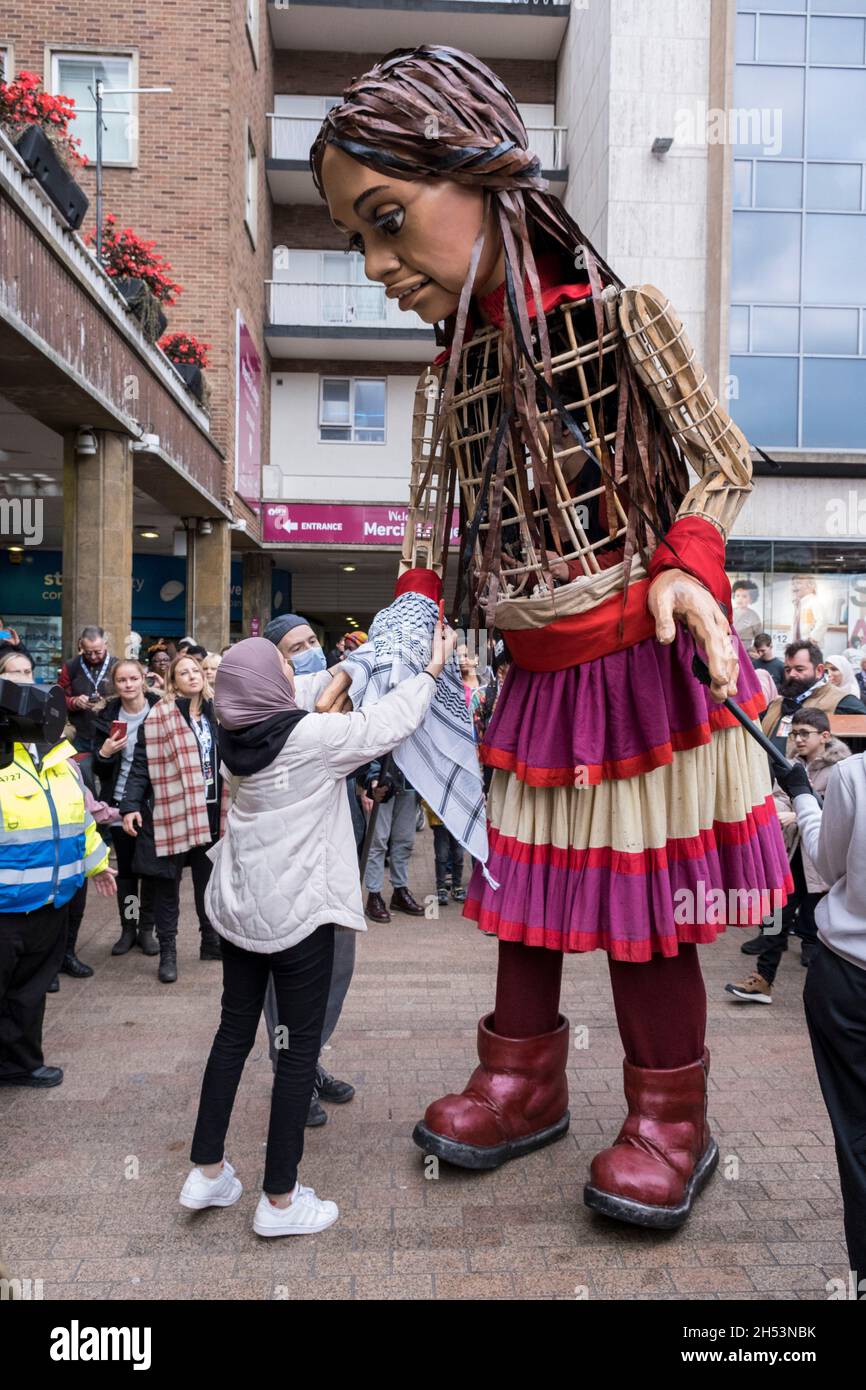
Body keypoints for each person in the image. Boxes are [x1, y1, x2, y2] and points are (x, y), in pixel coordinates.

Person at [312, 44, 792, 1230]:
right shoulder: (453, 380)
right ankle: (521, 1080)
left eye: (386, 222)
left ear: (482, 178)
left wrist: (686, 565)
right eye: (357, 240)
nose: (376, 265)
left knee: (643, 914)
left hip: (635, 668)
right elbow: (430, 530)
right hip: (531, 676)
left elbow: (721, 460)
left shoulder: (625, 320)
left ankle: (670, 1120)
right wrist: (401, 620)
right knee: (521, 902)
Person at [180, 624, 455, 1235]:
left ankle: (207, 1171)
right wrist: (431, 670)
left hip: (241, 906)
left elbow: (297, 693)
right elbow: (386, 724)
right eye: (281, 664)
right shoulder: (311, 739)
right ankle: (280, 1199)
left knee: (232, 1036)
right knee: (297, 1050)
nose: (291, 670)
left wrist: (348, 669)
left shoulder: (232, 733)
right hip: (299, 914)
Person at [0, 646, 116, 1088]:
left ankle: (21, 1063)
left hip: (50, 901)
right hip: (5, 907)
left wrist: (98, 863)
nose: (24, 683)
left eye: (29, 673)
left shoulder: (57, 756)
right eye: (12, 675)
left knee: (29, 993)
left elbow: (77, 818)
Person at [774, 747, 866, 1281]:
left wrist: (806, 797)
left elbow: (826, 866)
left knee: (858, 1132)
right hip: (848, 978)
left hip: (851, 976)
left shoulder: (855, 774)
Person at [262, 613, 358, 1125]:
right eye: (296, 646)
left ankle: (309, 1060)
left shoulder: (331, 691)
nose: (309, 651)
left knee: (337, 968)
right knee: (289, 981)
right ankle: (290, 1078)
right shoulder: (270, 705)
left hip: (335, 861)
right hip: (289, 869)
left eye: (311, 641)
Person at [727, 708, 850, 1003]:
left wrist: (796, 814)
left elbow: (836, 813)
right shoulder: (791, 764)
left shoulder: (841, 770)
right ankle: (762, 979)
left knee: (818, 931)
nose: (797, 739)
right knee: (774, 916)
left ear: (824, 736)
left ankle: (828, 995)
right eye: (794, 733)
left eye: (804, 733)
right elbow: (777, 797)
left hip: (821, 863)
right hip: (791, 856)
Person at [118, 653, 225, 983]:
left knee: (207, 883)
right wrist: (130, 805)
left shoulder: (216, 713)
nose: (193, 676)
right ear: (172, 681)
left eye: (196, 670)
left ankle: (211, 942)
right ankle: (169, 953)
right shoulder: (159, 717)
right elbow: (141, 767)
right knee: (167, 886)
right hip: (172, 812)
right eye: (184, 672)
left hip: (210, 809)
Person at [92, 660, 161, 957]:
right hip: (119, 804)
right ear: (115, 684)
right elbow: (99, 770)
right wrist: (105, 753)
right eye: (122, 680)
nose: (128, 685)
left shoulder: (161, 709)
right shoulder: (106, 716)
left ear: (143, 679)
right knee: (129, 873)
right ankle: (129, 927)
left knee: (154, 873)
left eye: (134, 678)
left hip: (154, 804)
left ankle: (148, 929)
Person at [762, 641, 866, 758]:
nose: (792, 674)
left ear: (819, 670)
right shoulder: (777, 703)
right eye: (787, 669)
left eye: (799, 669)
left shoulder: (841, 701)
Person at [361, 756, 425, 922]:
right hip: (383, 776)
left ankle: (400, 890)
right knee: (377, 841)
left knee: (405, 840)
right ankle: (374, 895)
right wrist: (371, 777)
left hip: (409, 777)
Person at [57, 626, 118, 753]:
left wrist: (106, 702)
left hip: (108, 734)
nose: (93, 657)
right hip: (79, 734)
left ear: (105, 644)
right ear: (81, 646)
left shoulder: (116, 666)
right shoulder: (71, 666)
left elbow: (125, 697)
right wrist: (74, 702)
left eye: (98, 652)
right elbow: (57, 698)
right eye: (88, 652)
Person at [731, 579, 762, 649]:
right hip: (729, 648)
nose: (740, 599)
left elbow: (759, 636)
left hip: (746, 650)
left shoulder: (753, 616)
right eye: (737, 595)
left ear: (751, 599)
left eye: (744, 596)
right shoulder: (729, 612)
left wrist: (755, 649)